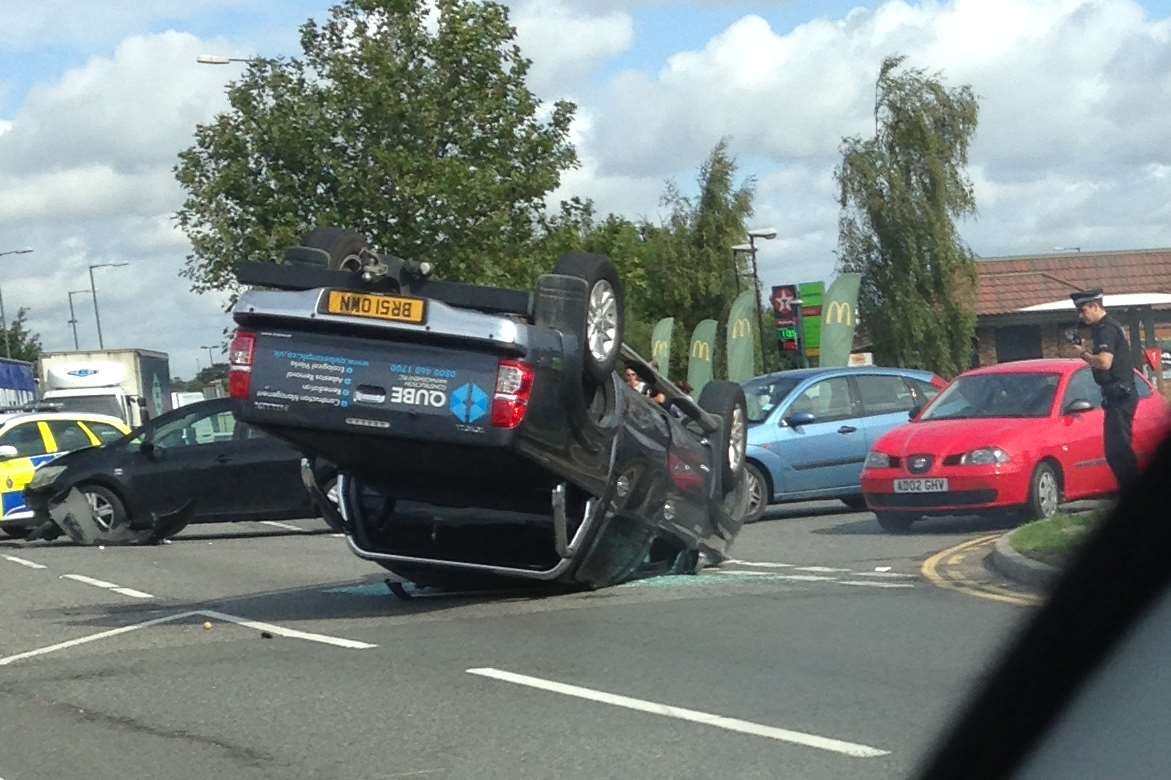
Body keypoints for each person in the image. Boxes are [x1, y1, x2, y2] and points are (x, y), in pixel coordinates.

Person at [1070, 289, 1139, 490]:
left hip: (1120, 395)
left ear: (1095, 306)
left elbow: (1104, 362)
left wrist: (1083, 354)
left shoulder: (1105, 329)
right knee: (1116, 451)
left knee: (1118, 451)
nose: (1081, 316)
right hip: (1116, 396)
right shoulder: (1105, 327)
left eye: (1083, 310)